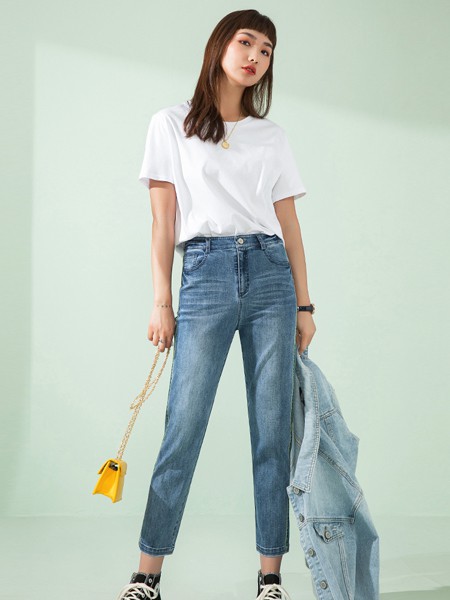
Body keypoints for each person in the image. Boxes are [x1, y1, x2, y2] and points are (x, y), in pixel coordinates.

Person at [116, 9, 316, 600]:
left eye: (267, 49)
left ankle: (270, 576)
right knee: (183, 426)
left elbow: (290, 226)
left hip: (271, 276)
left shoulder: (270, 136)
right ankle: (147, 575)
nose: (256, 56)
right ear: (219, 46)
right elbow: (162, 222)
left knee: (271, 430)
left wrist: (305, 306)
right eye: (246, 41)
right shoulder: (170, 124)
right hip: (203, 274)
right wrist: (161, 300)